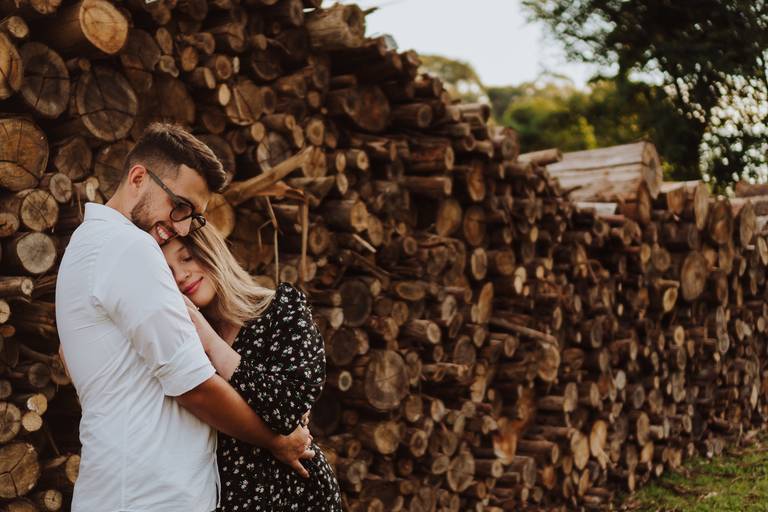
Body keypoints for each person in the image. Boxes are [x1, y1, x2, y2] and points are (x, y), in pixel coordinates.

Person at [55, 123, 314, 512]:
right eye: (179, 206)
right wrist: (275, 440)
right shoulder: (130, 247)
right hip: (150, 498)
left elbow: (71, 357)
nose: (179, 226)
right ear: (138, 177)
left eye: (193, 217)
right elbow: (193, 385)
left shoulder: (86, 246)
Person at [161, 224, 343, 511]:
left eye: (187, 258)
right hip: (221, 496)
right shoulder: (175, 338)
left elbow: (289, 409)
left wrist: (212, 343)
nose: (181, 276)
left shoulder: (281, 310)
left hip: (293, 492)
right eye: (167, 272)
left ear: (212, 252)